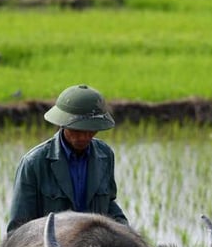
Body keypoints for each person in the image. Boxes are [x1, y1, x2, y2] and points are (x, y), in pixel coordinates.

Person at [7, 84, 128, 233]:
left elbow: (108, 204)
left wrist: (128, 233)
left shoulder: (105, 155)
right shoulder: (34, 163)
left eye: (90, 130)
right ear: (62, 124)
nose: (84, 137)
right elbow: (17, 229)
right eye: (77, 130)